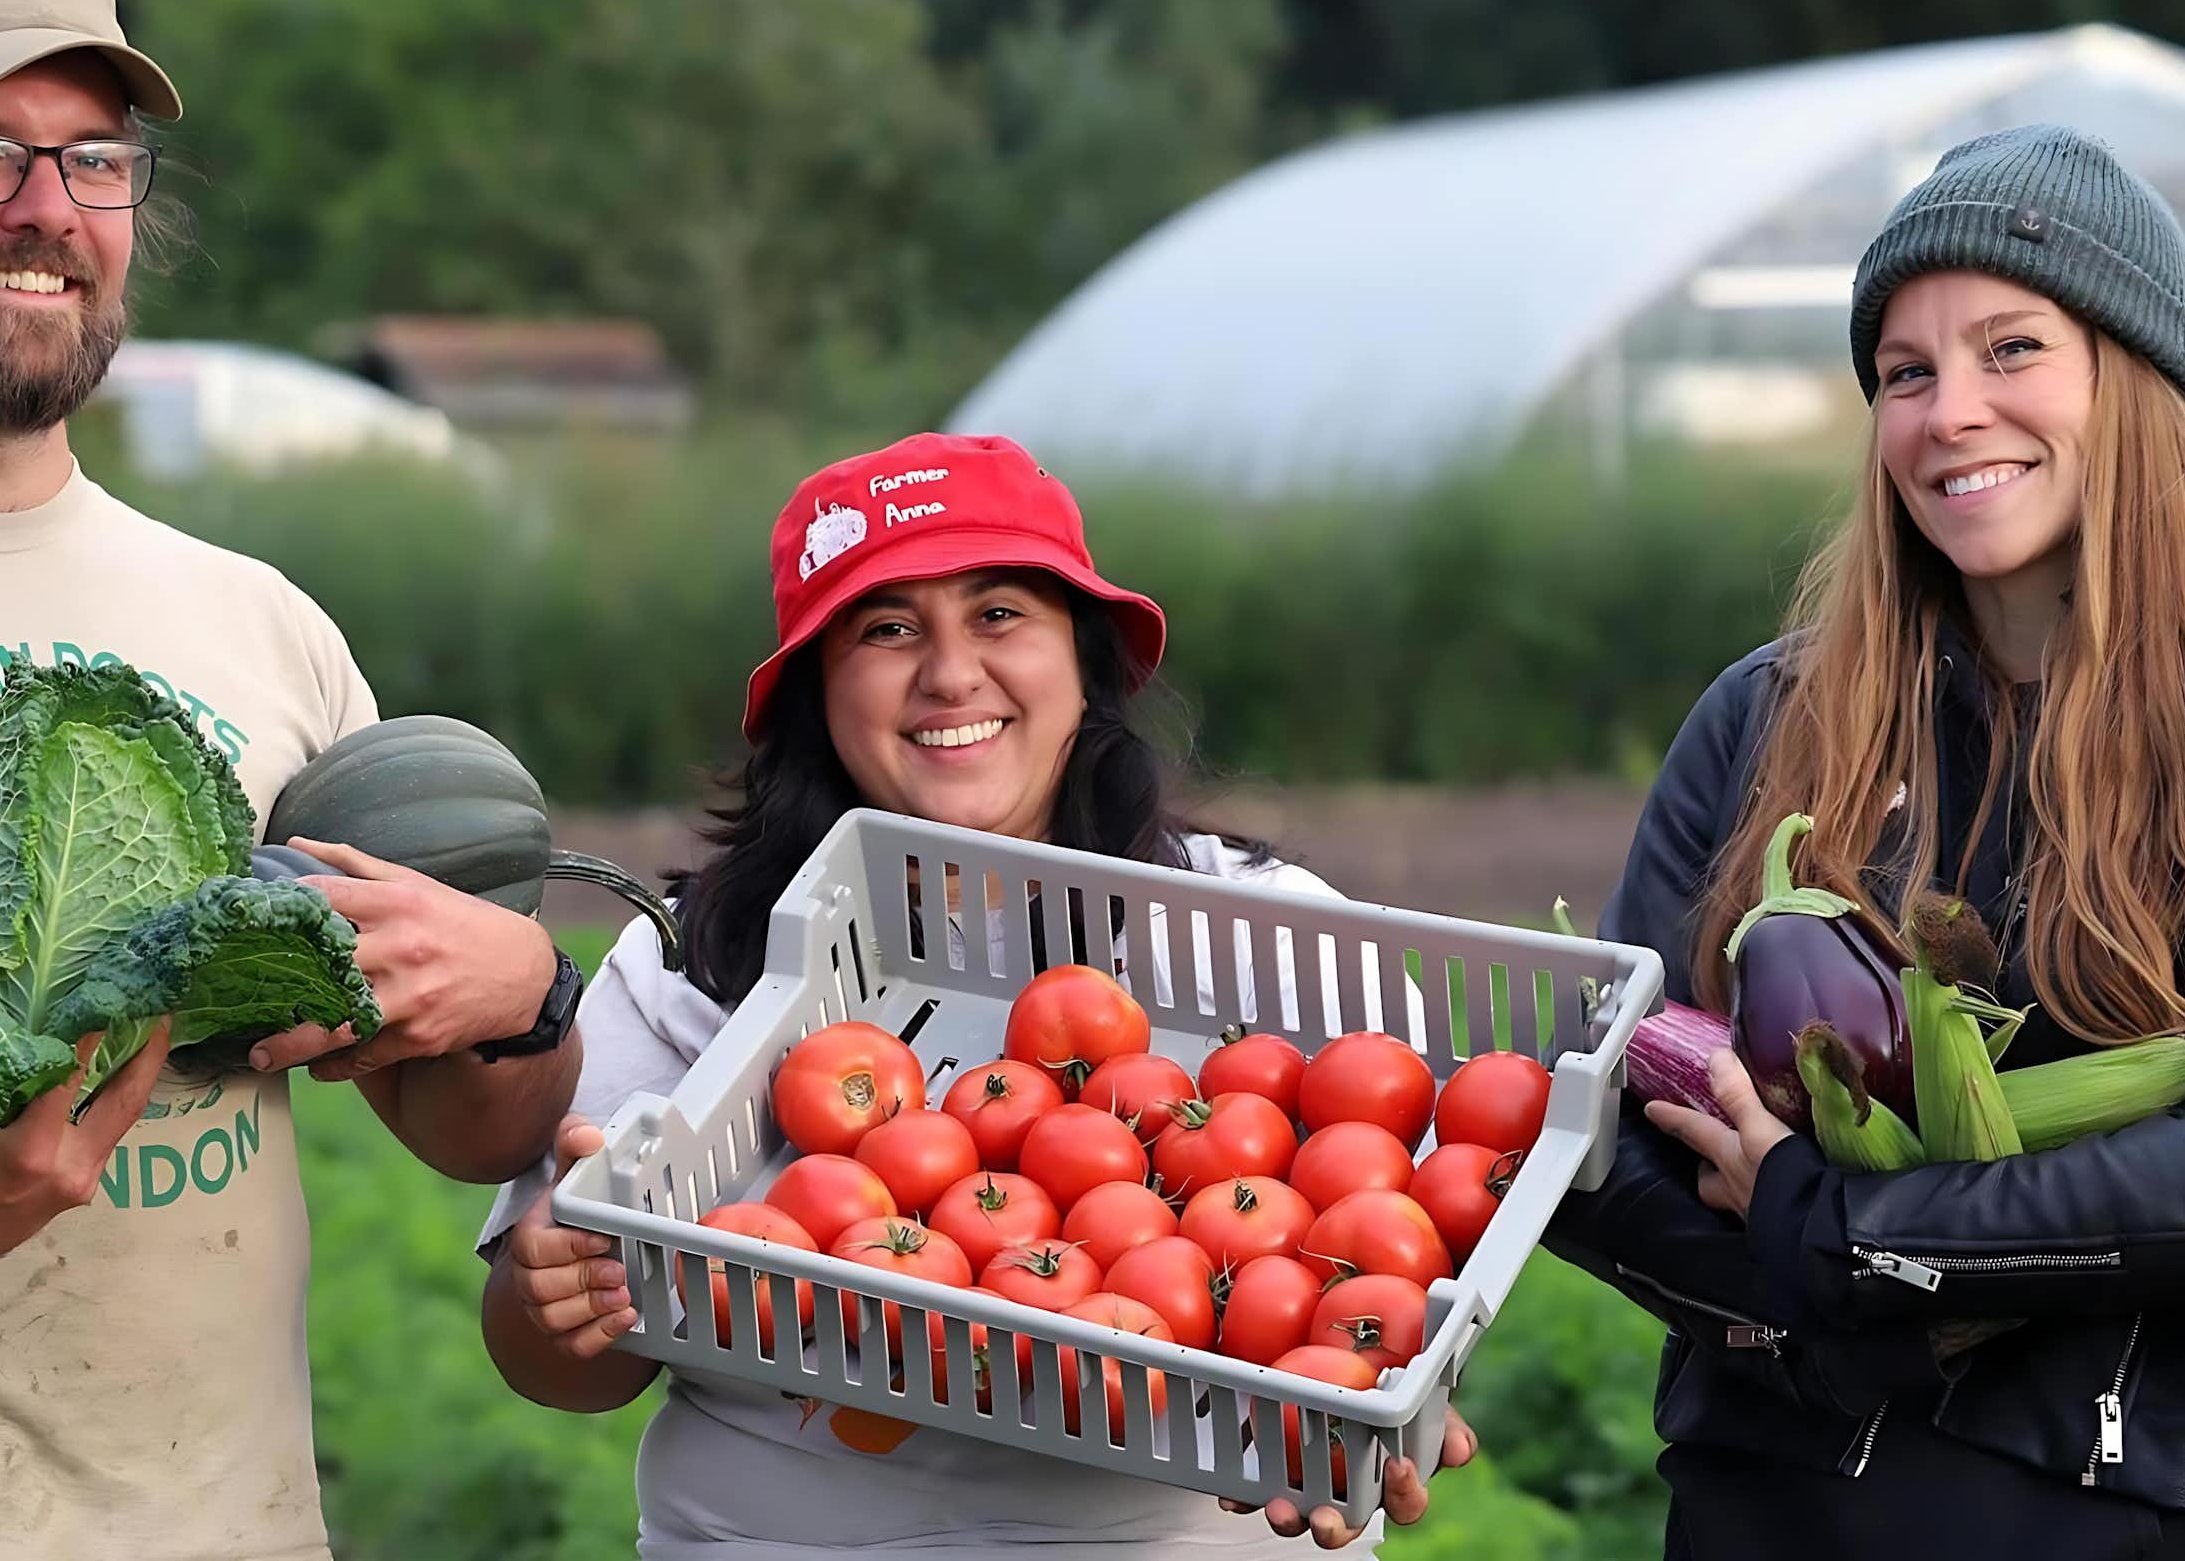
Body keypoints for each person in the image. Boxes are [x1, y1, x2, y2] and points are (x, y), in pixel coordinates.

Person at [0, 0, 582, 1559]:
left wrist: (524, 999)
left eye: (94, 159)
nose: (48, 210)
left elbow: (468, 1129)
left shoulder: (263, 624)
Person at [477, 432, 1476, 1555]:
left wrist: (1377, 1389)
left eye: (999, 614)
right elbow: (561, 1368)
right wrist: (551, 1298)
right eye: (888, 629)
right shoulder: (693, 955)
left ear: (1084, 660)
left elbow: (1412, 1238)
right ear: (815, 692)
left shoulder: (1266, 931)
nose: (950, 674)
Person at [1549, 125, 2185, 1558]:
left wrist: (1850, 1233)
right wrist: (1846, 1314)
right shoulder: (1768, 716)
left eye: (2011, 350)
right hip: (1776, 1495)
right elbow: (1603, 1110)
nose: (1950, 413)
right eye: (1906, 373)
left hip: (2128, 1511)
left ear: (2134, 381)